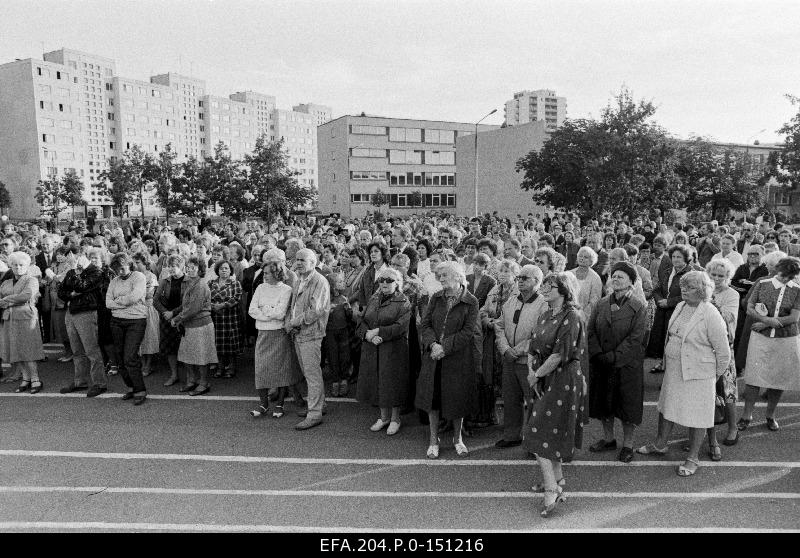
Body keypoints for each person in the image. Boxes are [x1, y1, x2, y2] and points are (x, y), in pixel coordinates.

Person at [636, 271, 730, 477]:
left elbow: (723, 353)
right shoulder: (680, 306)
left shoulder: (711, 313)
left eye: (690, 288)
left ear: (703, 291)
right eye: (683, 287)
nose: (684, 291)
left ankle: (693, 457)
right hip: (675, 369)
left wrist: (711, 377)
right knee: (667, 406)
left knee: (698, 415)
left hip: (700, 373)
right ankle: (660, 444)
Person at [524, 272, 588, 517]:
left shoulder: (572, 316)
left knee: (538, 431)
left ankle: (551, 487)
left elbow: (560, 354)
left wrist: (535, 375)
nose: (546, 289)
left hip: (562, 379)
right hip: (543, 375)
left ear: (564, 289)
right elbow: (533, 345)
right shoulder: (545, 314)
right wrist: (533, 370)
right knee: (550, 430)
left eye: (551, 286)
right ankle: (557, 479)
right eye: (546, 285)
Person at [417, 261, 480, 458]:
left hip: (457, 358)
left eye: (444, 275)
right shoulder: (436, 297)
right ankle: (433, 439)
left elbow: (468, 331)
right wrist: (434, 345)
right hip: (434, 355)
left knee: (456, 399)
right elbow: (425, 325)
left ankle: (457, 439)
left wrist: (445, 347)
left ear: (458, 277)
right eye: (439, 276)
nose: (440, 279)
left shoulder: (471, 301)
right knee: (433, 399)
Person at [587, 262, 648, 463]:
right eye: (613, 276)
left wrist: (614, 356)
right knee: (604, 404)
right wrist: (598, 354)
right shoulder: (602, 303)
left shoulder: (638, 306)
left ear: (631, 281)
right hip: (602, 363)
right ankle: (608, 439)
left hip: (626, 365)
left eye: (621, 276)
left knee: (626, 407)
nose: (615, 279)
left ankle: (628, 444)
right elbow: (591, 331)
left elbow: (635, 338)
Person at [738, 257, 800, 433]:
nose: (784, 278)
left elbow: (794, 318)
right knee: (753, 377)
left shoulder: (797, 290)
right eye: (783, 274)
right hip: (761, 338)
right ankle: (746, 415)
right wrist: (765, 320)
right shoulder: (762, 283)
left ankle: (770, 415)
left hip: (786, 339)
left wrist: (766, 323)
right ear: (777, 269)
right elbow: (749, 306)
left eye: (789, 276)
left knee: (778, 378)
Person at [494, 265, 548, 448]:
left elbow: (540, 334)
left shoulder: (544, 303)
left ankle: (534, 441)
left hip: (529, 362)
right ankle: (512, 435)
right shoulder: (511, 301)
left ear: (537, 281)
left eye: (525, 277)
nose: (520, 280)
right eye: (519, 277)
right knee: (510, 399)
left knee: (533, 401)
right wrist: (504, 349)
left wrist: (517, 350)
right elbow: (499, 326)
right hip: (509, 359)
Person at [356, 267, 412, 436]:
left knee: (392, 383)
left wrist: (379, 331)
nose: (384, 283)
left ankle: (395, 419)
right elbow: (362, 320)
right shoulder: (374, 298)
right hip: (373, 346)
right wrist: (368, 335)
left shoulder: (403, 302)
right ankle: (384, 417)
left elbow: (401, 327)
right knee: (377, 381)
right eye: (382, 280)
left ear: (397, 283)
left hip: (393, 349)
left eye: (389, 280)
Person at [248, 259, 302, 418]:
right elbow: (252, 310)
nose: (263, 276)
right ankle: (263, 404)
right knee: (261, 370)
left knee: (281, 370)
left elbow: (280, 314)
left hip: (279, 334)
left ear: (276, 273)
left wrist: (264, 310)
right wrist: (269, 313)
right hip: (263, 334)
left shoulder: (286, 289)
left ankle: (280, 405)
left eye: (266, 273)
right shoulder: (260, 287)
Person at [289, 248, 331, 430]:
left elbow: (316, 311)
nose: (298, 263)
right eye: (297, 259)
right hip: (299, 332)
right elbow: (294, 305)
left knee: (312, 374)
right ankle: (319, 405)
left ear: (313, 263)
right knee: (309, 372)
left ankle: (314, 414)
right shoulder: (300, 279)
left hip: (311, 333)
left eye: (303, 260)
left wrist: (293, 322)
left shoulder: (319, 281)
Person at [58, 248, 107, 397]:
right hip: (71, 313)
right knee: (77, 351)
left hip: (86, 313)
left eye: (94, 257)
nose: (91, 259)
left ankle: (100, 383)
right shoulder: (73, 271)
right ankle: (80, 381)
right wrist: (72, 294)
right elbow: (61, 292)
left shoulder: (96, 272)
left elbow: (81, 286)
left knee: (91, 350)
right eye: (89, 256)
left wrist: (76, 276)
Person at [705, 258, 740, 451]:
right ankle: (702, 432)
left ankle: (733, 427)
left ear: (727, 277)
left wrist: (710, 302)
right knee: (706, 390)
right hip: (704, 347)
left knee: (728, 389)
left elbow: (728, 317)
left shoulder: (732, 294)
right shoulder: (703, 291)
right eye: (713, 274)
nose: (716, 278)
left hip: (725, 346)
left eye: (721, 275)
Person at [171, 256, 218, 396]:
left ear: (200, 270)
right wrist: (179, 317)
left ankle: (203, 383)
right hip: (190, 325)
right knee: (187, 354)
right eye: (189, 267)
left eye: (194, 267)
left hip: (201, 325)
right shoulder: (191, 283)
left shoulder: (200, 285)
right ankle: (192, 381)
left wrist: (177, 318)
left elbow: (193, 308)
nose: (190, 270)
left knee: (201, 355)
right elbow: (187, 306)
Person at [105, 253, 148, 405]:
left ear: (129, 264)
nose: (120, 272)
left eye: (122, 268)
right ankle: (131, 387)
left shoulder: (139, 277)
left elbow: (134, 297)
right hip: (116, 321)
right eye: (117, 269)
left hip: (135, 320)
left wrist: (118, 301)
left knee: (130, 356)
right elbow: (108, 303)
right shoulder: (114, 281)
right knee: (120, 357)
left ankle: (140, 389)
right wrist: (123, 302)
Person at [0, 252, 45, 394]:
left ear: (27, 266)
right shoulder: (6, 282)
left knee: (29, 349)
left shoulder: (31, 280)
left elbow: (26, 296)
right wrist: (11, 299)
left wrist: (7, 300)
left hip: (26, 317)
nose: (18, 267)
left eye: (21, 265)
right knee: (16, 349)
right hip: (9, 318)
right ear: (11, 266)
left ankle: (36, 379)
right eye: (15, 265)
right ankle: (25, 379)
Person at [646, 245, 692, 373]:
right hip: (663, 311)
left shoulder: (690, 274)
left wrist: (669, 302)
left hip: (679, 311)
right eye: (673, 257)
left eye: (679, 257)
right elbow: (657, 289)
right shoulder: (668, 271)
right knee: (662, 339)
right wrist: (660, 300)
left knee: (674, 340)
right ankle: (663, 364)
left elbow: (689, 295)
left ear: (686, 258)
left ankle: (672, 372)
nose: (675, 259)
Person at [153, 255, 187, 387]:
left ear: (181, 266)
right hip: (167, 318)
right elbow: (155, 300)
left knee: (185, 346)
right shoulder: (164, 281)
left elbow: (188, 302)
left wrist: (174, 313)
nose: (171, 269)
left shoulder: (189, 280)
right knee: (170, 349)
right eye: (169, 266)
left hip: (183, 316)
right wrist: (165, 313)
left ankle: (190, 377)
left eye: (174, 266)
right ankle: (174, 375)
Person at [208, 260, 243, 379]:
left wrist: (222, 305)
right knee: (218, 344)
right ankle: (220, 367)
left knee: (231, 344)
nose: (224, 270)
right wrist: (214, 306)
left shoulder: (235, 283)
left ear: (230, 270)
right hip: (216, 318)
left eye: (226, 268)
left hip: (230, 318)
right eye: (221, 268)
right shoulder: (211, 283)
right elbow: (207, 298)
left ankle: (232, 367)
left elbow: (237, 298)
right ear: (217, 270)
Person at [131, 252, 160, 377]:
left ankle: (148, 364)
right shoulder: (133, 276)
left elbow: (149, 293)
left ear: (144, 263)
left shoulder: (151, 276)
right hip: (136, 309)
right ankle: (142, 363)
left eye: (138, 263)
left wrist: (135, 295)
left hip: (148, 308)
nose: (135, 265)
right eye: (135, 262)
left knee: (149, 337)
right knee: (139, 338)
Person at [568, 246, 603, 319]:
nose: (582, 258)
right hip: (567, 312)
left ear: (591, 261)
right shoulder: (569, 274)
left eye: (586, 257)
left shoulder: (595, 278)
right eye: (580, 256)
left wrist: (581, 314)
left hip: (584, 316)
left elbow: (594, 301)